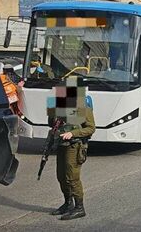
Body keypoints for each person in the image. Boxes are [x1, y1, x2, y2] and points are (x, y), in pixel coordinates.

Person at [49, 76, 96, 220]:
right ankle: (67, 203)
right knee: (61, 177)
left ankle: (79, 207)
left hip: (74, 146)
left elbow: (91, 128)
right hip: (61, 144)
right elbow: (51, 123)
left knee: (72, 178)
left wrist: (73, 133)